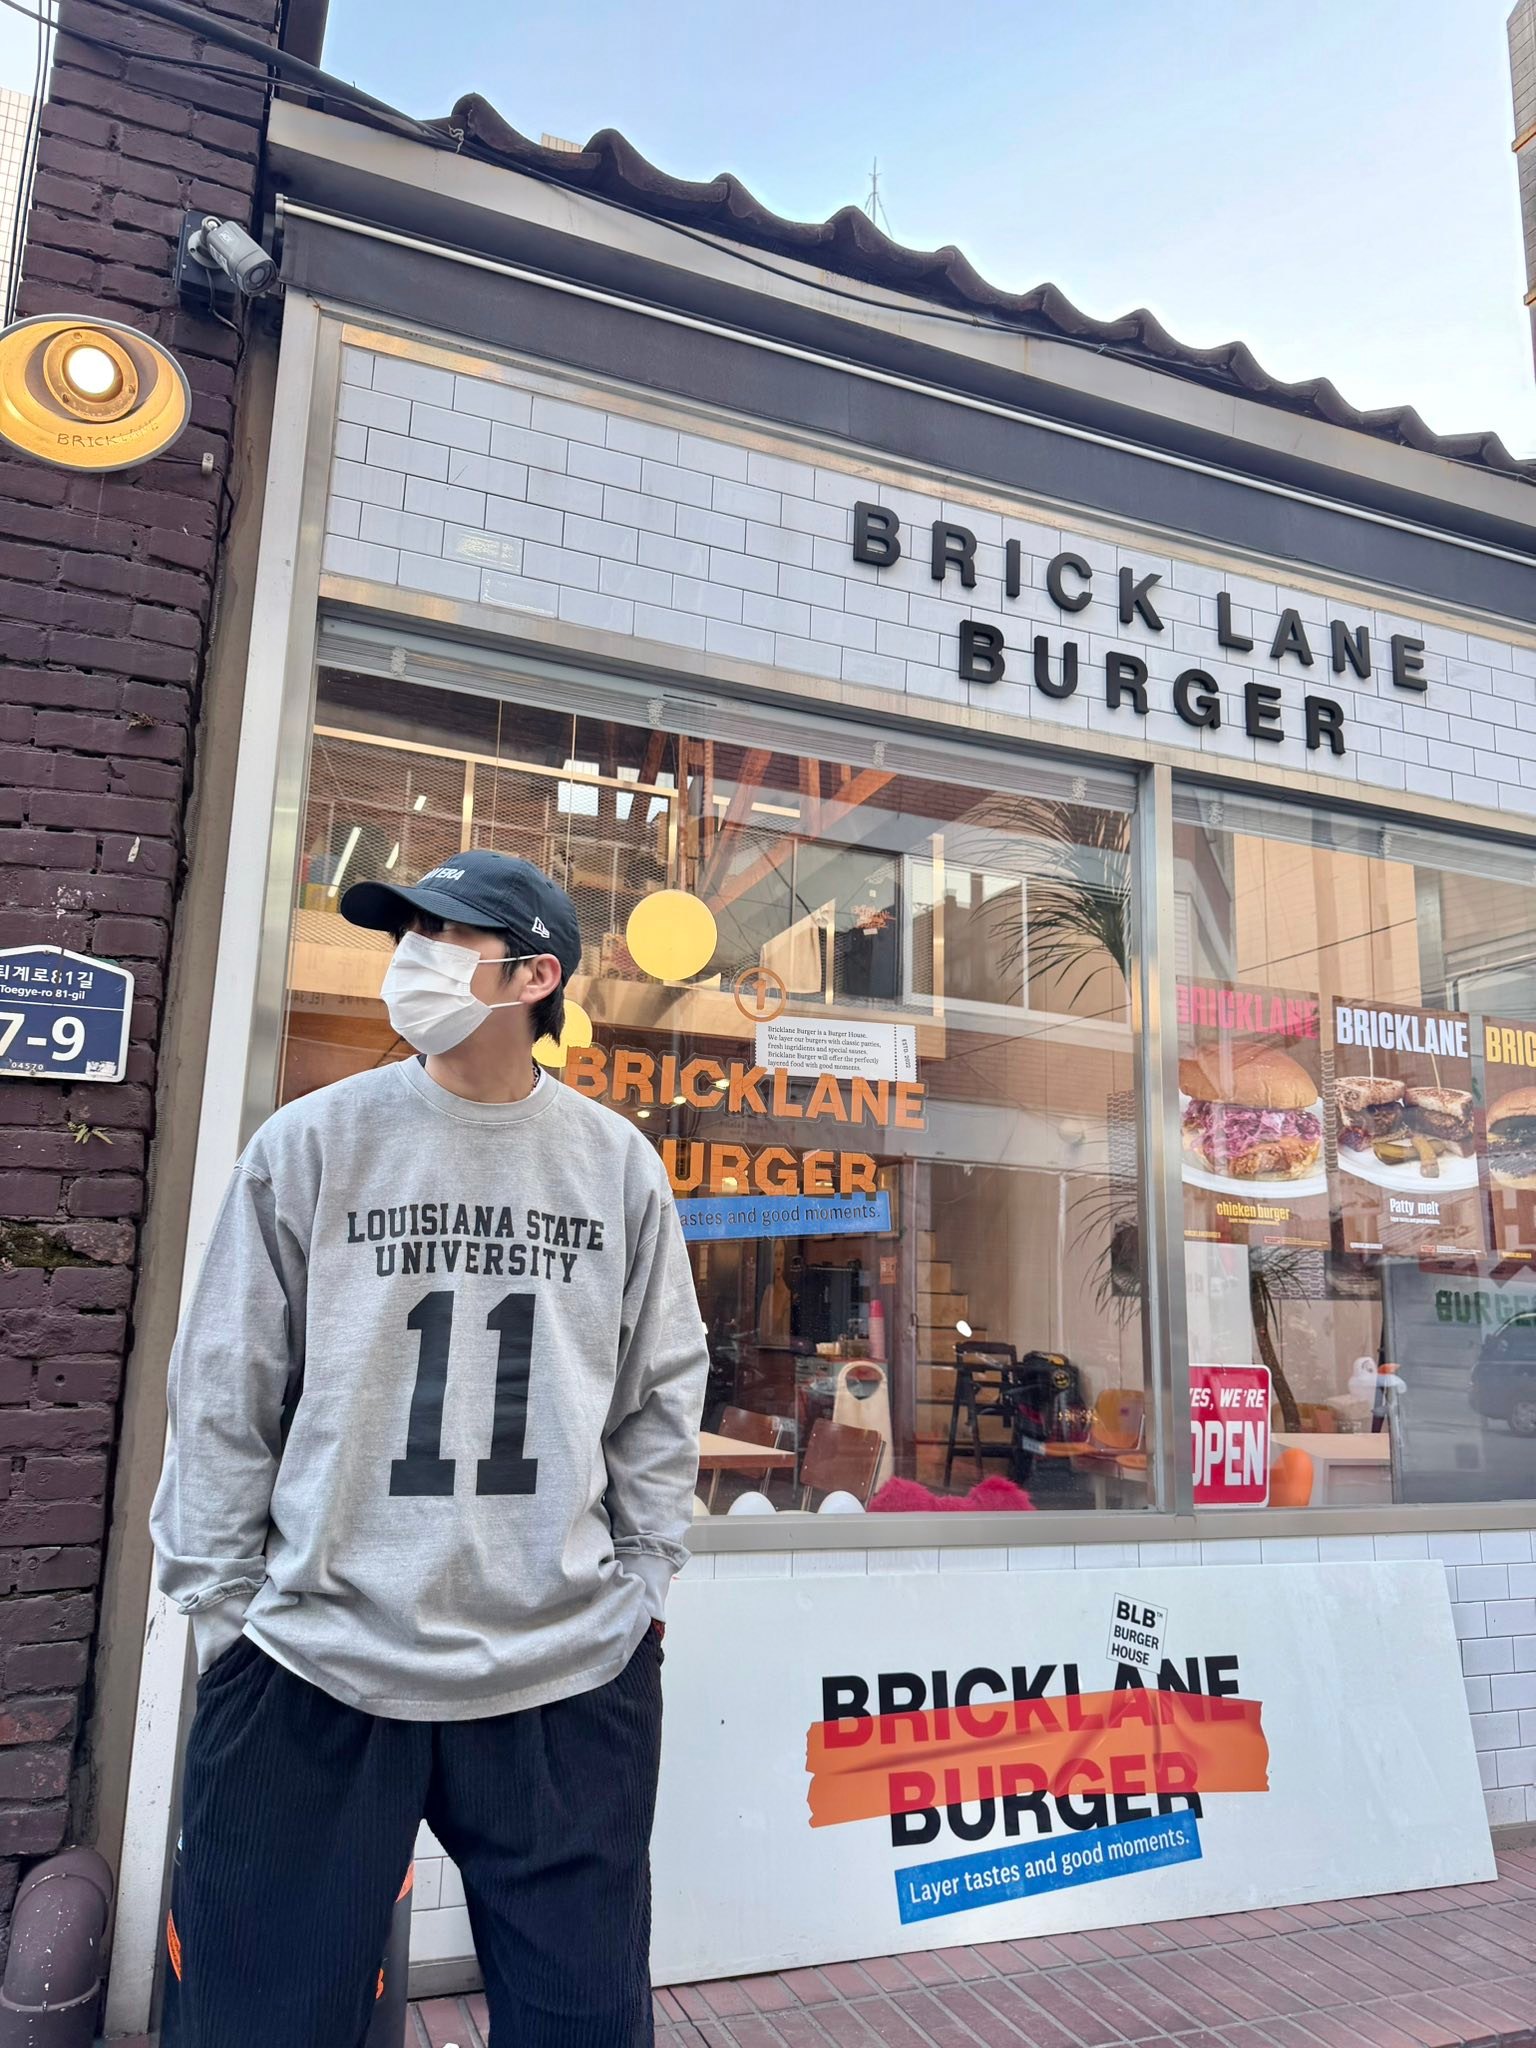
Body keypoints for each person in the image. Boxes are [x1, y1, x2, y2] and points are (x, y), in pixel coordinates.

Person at [151, 849, 708, 2048]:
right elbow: (223, 1385)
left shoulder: (615, 1163)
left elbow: (662, 1389)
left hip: (565, 1667)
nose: (410, 956)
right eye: (404, 930)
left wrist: (645, 1585)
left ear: (534, 976)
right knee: (257, 2020)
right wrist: (223, 1614)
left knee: (581, 2020)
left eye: (445, 933)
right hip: (316, 1660)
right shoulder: (311, 1142)